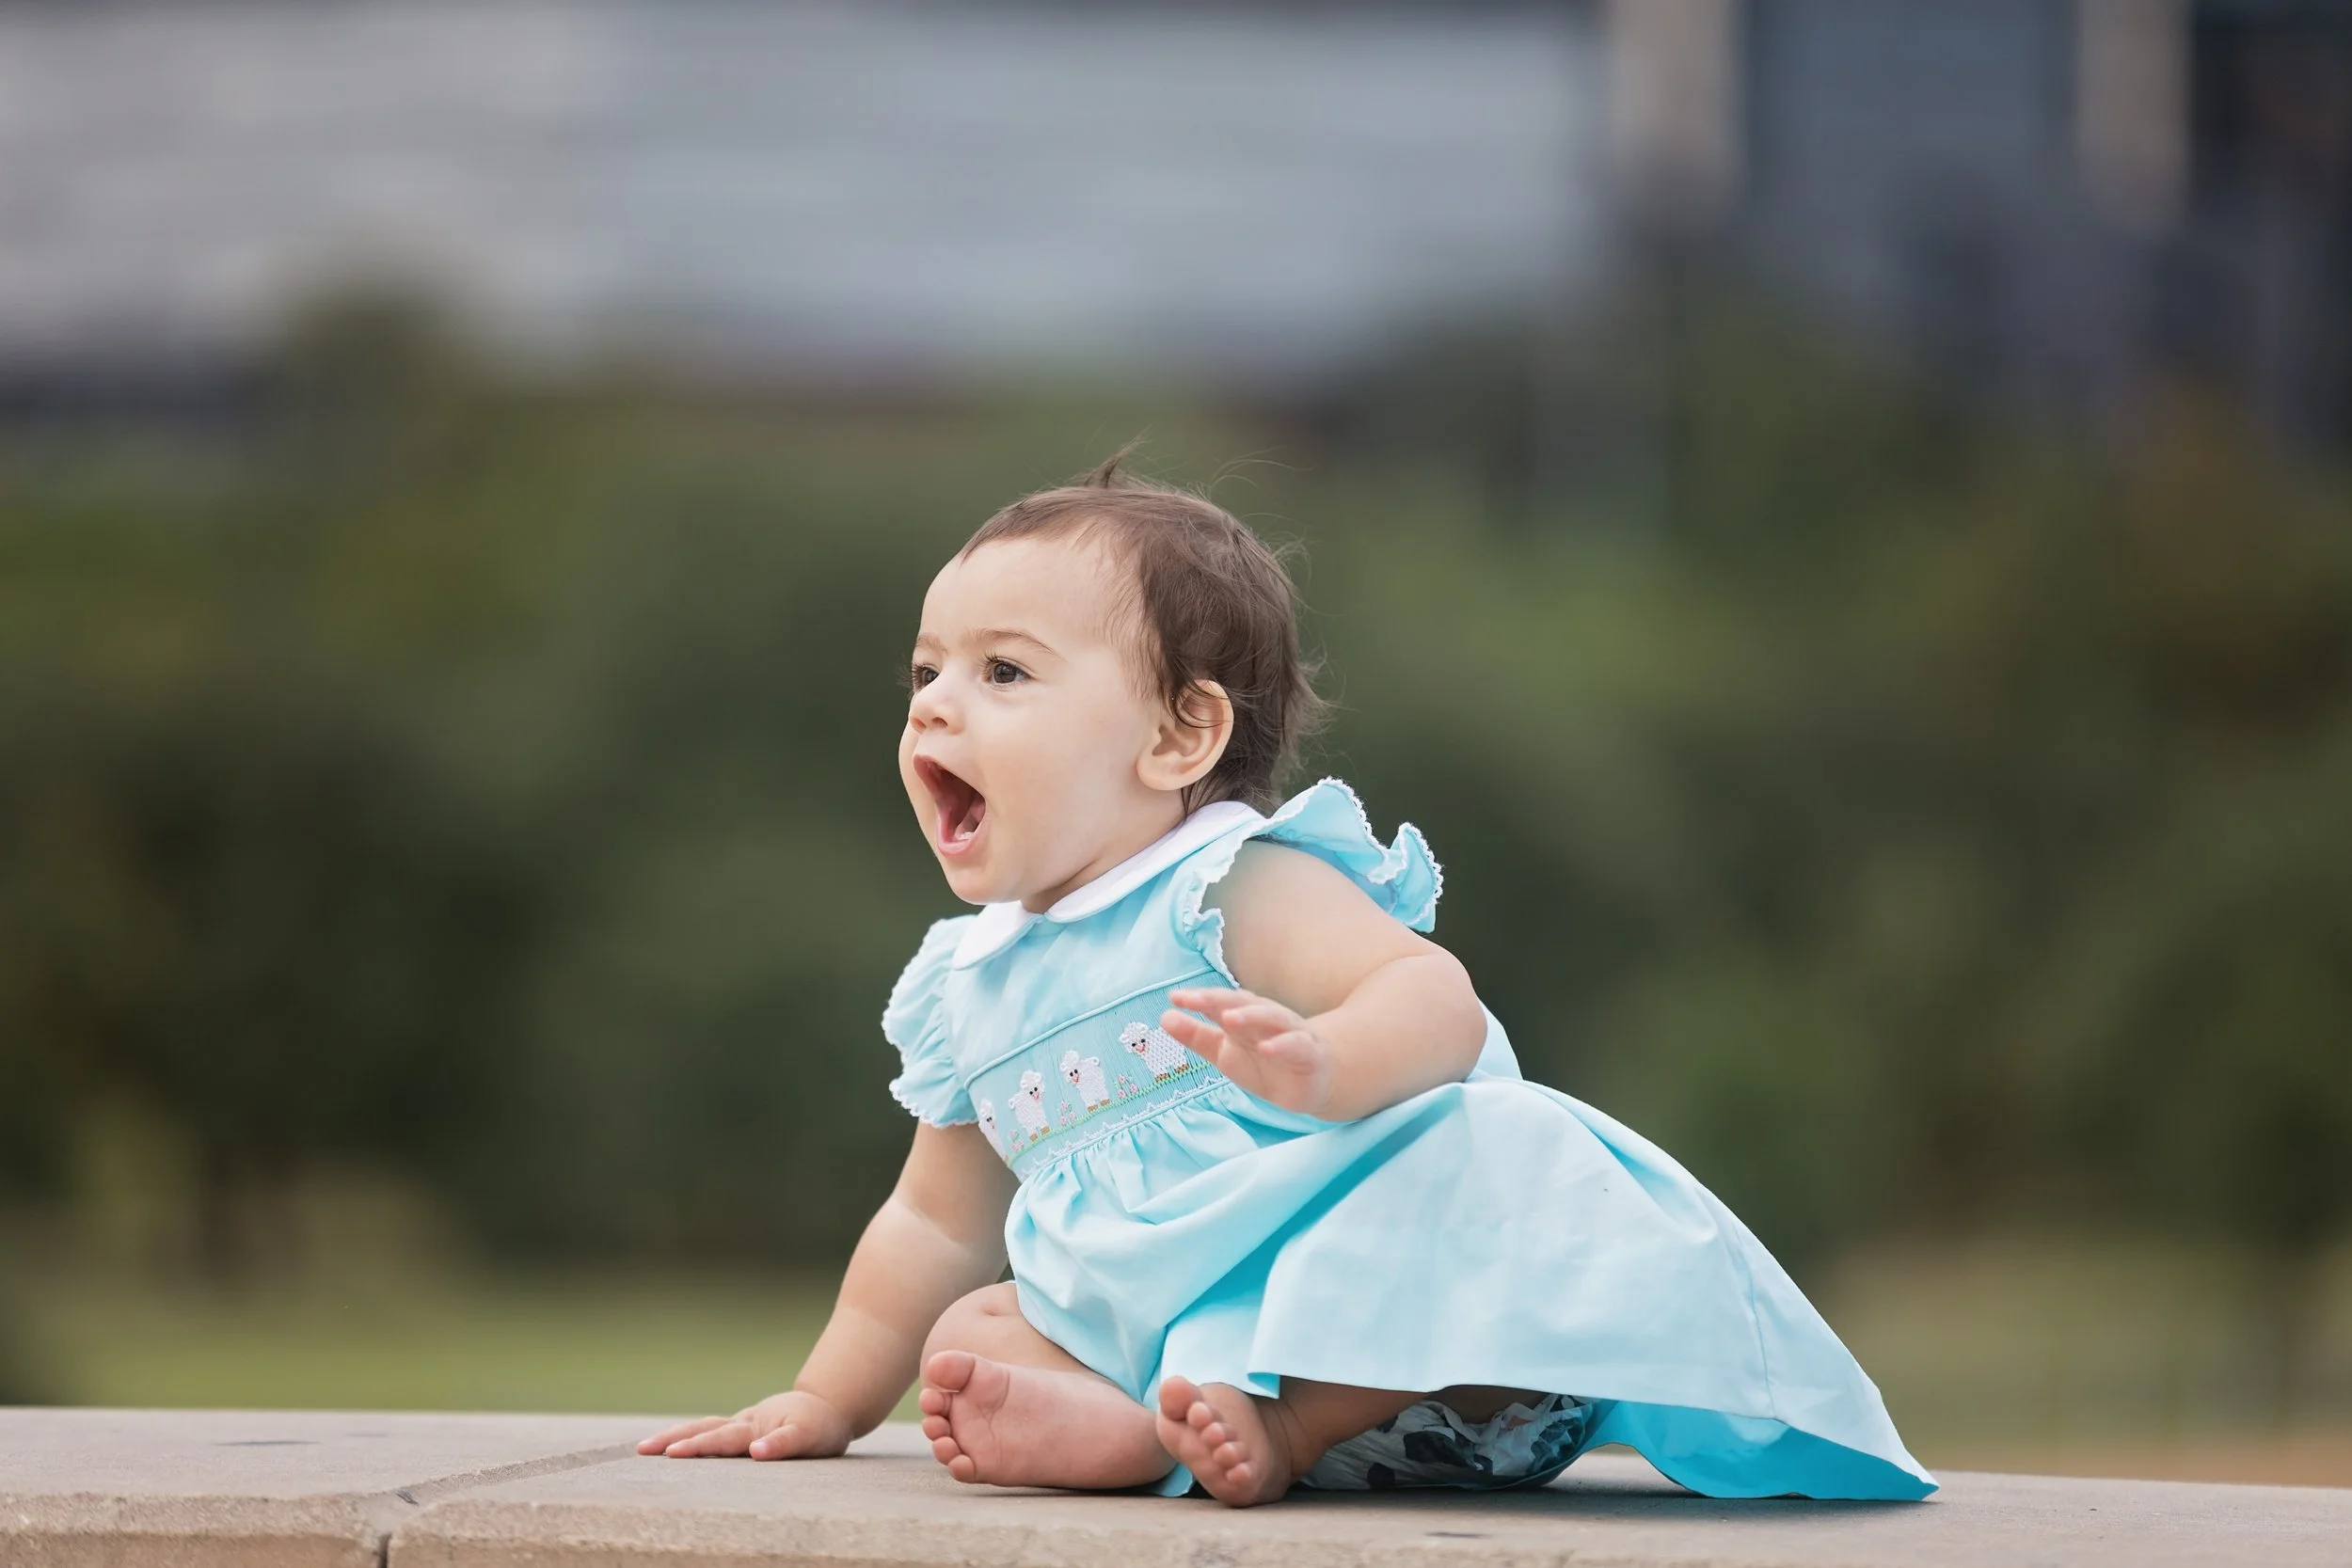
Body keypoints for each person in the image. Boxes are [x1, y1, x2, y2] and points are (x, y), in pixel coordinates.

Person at [636, 455, 1935, 1506]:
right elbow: (928, 1224)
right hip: (1179, 1345)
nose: (933, 706)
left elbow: (1438, 1002)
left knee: (1492, 1141)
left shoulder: (1229, 886)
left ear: (1180, 733)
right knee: (972, 1333)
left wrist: (1322, 1066)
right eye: (926, 672)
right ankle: (1147, 1427)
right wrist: (825, 1397)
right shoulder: (971, 980)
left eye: (1004, 672)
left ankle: (1283, 1415)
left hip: (1432, 1363)